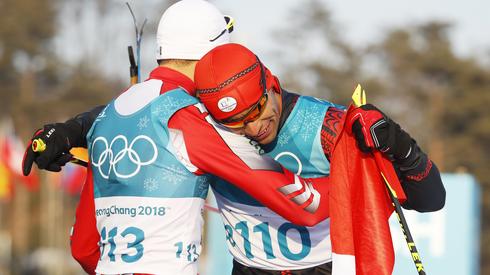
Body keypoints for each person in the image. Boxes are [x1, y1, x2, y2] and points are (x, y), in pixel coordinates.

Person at [22, 1, 332, 274]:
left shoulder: (107, 118)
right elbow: (305, 205)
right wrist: (364, 175)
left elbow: (85, 249)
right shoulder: (193, 121)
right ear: (214, 53)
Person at [193, 43, 446, 275]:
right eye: (236, 122)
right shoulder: (210, 131)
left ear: (271, 83)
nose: (253, 127)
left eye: (256, 110)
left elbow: (431, 198)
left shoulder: (328, 127)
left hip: (325, 268)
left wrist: (400, 144)